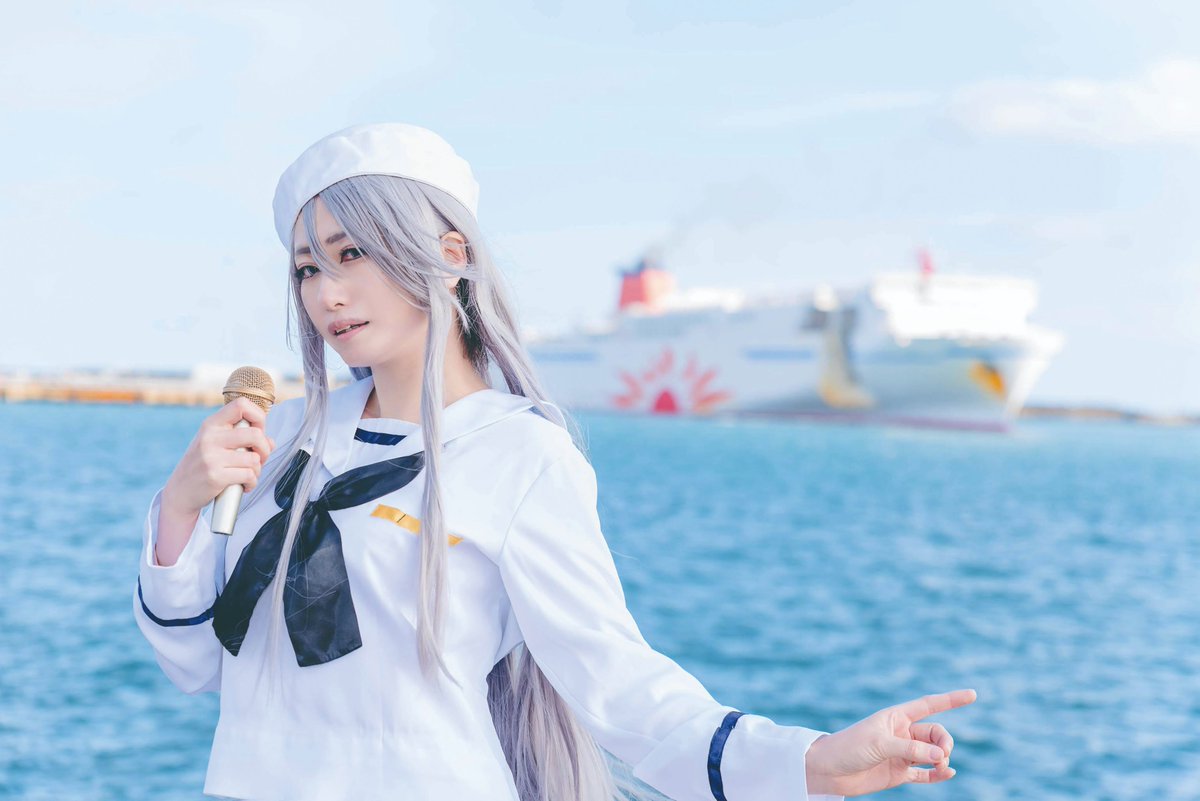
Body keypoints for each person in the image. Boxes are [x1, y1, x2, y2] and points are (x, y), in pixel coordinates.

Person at [133, 122, 976, 801]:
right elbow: (198, 665)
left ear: (450, 255)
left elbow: (617, 683)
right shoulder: (280, 435)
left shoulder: (518, 451)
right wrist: (180, 506)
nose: (327, 292)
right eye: (307, 268)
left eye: (352, 253)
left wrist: (808, 762)